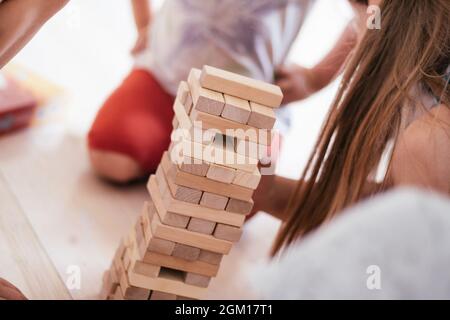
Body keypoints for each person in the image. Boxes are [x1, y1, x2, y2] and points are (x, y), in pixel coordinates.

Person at [251, 0, 450, 255]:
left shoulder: (431, 142)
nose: (356, 34)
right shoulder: (399, 25)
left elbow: (398, 226)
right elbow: (391, 206)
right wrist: (273, 194)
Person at [87, 0, 362, 183]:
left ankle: (185, 152)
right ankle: (180, 149)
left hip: (243, 104)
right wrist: (144, 22)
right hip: (163, 78)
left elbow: (371, 12)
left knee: (247, 190)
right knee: (110, 157)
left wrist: (316, 78)